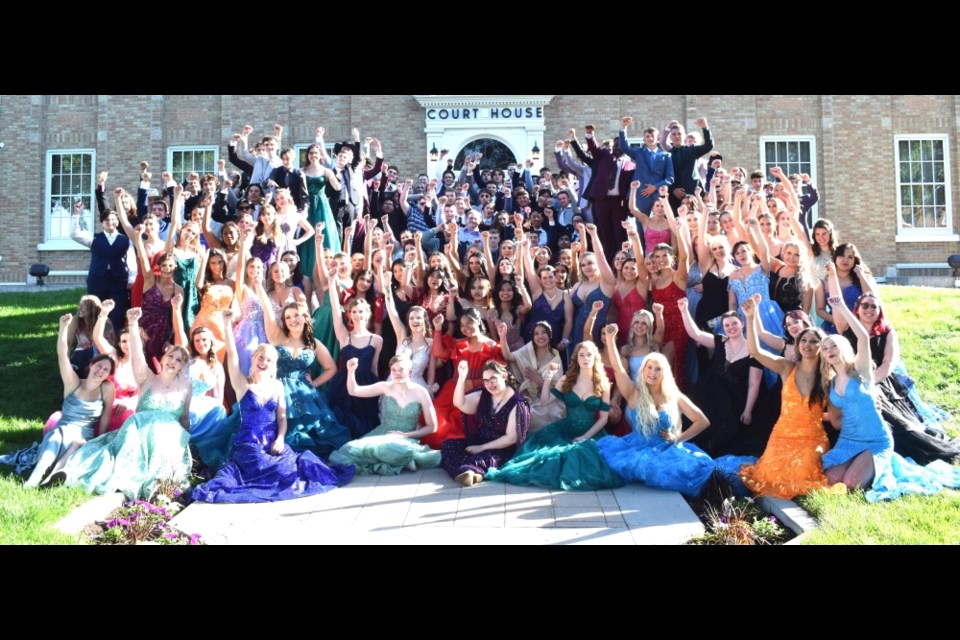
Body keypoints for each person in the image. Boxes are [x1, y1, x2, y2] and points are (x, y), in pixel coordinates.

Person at [192, 318, 354, 504]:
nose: (263, 362)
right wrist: (227, 323)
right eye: (260, 357)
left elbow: (282, 419)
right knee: (264, 470)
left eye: (269, 360)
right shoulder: (242, 383)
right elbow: (232, 353)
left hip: (273, 441)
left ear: (273, 365)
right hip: (248, 442)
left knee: (290, 471)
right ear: (253, 358)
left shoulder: (277, 386)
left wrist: (280, 439)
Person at [820, 296, 960, 502]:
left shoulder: (861, 371)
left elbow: (862, 338)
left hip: (875, 439)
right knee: (831, 479)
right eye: (824, 348)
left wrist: (841, 307)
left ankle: (881, 461)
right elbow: (836, 420)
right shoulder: (830, 384)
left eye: (833, 346)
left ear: (843, 347)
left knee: (851, 484)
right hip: (849, 439)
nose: (829, 351)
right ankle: (864, 463)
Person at [62, 308, 193, 500]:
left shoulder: (186, 386)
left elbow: (185, 417)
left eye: (178, 360)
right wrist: (132, 324)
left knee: (167, 435)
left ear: (182, 365)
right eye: (170, 356)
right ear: (163, 358)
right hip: (138, 433)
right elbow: (138, 353)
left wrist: (186, 444)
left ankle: (160, 483)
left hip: (169, 438)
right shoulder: (147, 378)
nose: (172, 361)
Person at [596, 325, 725, 498]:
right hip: (638, 447)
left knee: (700, 472)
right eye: (649, 368)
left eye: (658, 369)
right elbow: (618, 369)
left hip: (667, 450)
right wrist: (611, 341)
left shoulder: (674, 396)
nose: (653, 373)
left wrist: (678, 438)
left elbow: (702, 421)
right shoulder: (634, 393)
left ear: (664, 373)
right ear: (643, 370)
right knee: (644, 465)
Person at [485, 341, 625, 491]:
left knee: (591, 464)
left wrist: (585, 437)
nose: (585, 358)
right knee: (545, 459)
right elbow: (545, 401)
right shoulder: (567, 380)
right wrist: (548, 378)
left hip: (592, 433)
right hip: (565, 431)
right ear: (576, 359)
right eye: (582, 355)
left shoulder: (603, 384)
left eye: (589, 355)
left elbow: (603, 418)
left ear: (595, 358)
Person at [733, 295, 832, 499]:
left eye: (814, 341)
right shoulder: (787, 368)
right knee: (769, 475)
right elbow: (756, 351)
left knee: (803, 474)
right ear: (797, 346)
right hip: (782, 434)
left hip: (811, 437)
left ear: (822, 346)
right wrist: (750, 318)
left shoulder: (828, 377)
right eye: (803, 340)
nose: (807, 344)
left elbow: (838, 411)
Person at [1, 314, 115, 487]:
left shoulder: (106, 388)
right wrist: (63, 327)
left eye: (106, 370)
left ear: (108, 375)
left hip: (85, 435)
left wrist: (100, 440)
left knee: (75, 442)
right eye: (99, 366)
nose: (101, 371)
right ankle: (38, 475)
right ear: (91, 365)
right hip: (63, 429)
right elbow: (62, 354)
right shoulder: (73, 383)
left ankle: (50, 475)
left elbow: (106, 416)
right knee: (57, 435)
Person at [250, 288, 349, 459]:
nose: (292, 320)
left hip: (305, 394)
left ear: (304, 317)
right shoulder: (278, 337)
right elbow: (267, 311)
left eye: (296, 315)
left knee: (317, 434)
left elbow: (331, 367)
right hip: (278, 389)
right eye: (287, 317)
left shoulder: (314, 344)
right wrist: (258, 285)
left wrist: (316, 383)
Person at [679, 299, 776, 457]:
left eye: (734, 323)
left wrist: (748, 410)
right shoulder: (719, 341)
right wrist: (683, 310)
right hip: (707, 393)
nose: (731, 328)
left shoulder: (753, 351)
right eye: (727, 325)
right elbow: (694, 333)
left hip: (732, 399)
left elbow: (753, 384)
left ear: (742, 324)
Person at [329, 355, 441, 475]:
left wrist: (408, 435)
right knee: (349, 449)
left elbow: (432, 427)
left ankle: (403, 458)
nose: (397, 373)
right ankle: (401, 461)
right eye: (394, 370)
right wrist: (351, 371)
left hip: (407, 437)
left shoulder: (421, 392)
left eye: (401, 369)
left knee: (395, 447)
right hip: (384, 432)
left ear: (410, 371)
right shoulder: (385, 387)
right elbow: (354, 391)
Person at [440, 361, 530, 486]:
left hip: (502, 448)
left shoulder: (518, 403)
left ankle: (469, 470)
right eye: (486, 380)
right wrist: (461, 378)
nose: (489, 384)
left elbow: (511, 438)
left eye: (493, 379)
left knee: (477, 460)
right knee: (448, 445)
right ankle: (470, 472)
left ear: (504, 377)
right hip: (480, 440)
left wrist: (482, 448)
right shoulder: (484, 394)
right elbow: (460, 403)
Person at [426, 308, 504, 449]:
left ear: (478, 321)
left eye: (469, 323)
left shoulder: (491, 345)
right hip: (453, 390)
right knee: (437, 422)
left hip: (478, 392)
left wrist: (474, 382)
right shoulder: (459, 343)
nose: (465, 327)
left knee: (463, 424)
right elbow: (438, 352)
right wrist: (437, 329)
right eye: (462, 325)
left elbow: (497, 375)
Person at [323, 265, 383, 438]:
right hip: (343, 387)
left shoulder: (376, 340)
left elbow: (374, 368)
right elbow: (335, 309)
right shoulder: (344, 336)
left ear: (368, 314)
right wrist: (331, 281)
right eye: (354, 311)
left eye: (361, 311)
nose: (357, 315)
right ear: (349, 315)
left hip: (366, 386)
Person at [171, 294, 229, 470]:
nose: (201, 343)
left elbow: (219, 396)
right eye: (197, 340)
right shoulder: (187, 361)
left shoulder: (216, 366)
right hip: (184, 401)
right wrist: (176, 308)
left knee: (219, 410)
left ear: (210, 341)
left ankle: (205, 451)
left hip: (205, 404)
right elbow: (180, 334)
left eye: (204, 340)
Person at [70, 201, 136, 332]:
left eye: (113, 219)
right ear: (102, 223)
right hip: (97, 279)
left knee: (117, 311)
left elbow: (131, 259)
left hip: (118, 279)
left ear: (117, 222)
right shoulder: (93, 238)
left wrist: (131, 278)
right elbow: (74, 235)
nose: (110, 222)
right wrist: (76, 215)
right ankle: (94, 339)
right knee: (95, 309)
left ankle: (115, 338)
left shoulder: (126, 239)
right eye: (106, 220)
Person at [496, 320, 564, 431]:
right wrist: (503, 336)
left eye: (544, 332)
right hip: (527, 395)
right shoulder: (528, 350)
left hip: (548, 399)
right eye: (536, 334)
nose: (540, 336)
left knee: (540, 416)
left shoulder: (555, 357)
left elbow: (557, 389)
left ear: (550, 335)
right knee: (520, 412)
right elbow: (508, 356)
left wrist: (539, 381)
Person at [92, 300, 138, 432]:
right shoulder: (114, 357)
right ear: (119, 344)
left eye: (131, 340)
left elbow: (142, 393)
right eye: (124, 341)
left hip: (127, 409)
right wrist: (104, 313)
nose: (127, 344)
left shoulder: (141, 364)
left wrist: (129, 403)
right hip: (105, 406)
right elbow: (97, 337)